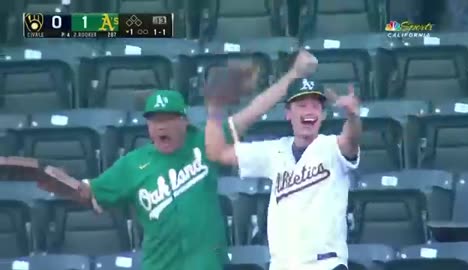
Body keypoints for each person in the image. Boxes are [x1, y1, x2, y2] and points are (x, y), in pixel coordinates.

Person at [73, 50, 316, 270]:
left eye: (168, 119)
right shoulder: (133, 164)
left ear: (184, 121)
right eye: (155, 120)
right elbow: (88, 193)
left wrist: (294, 74)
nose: (160, 126)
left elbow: (253, 111)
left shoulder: (204, 143)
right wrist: (52, 179)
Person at [205, 54, 362, 269]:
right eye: (302, 105)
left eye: (315, 106)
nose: (309, 111)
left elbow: (351, 140)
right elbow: (218, 153)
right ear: (288, 113)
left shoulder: (332, 147)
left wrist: (353, 116)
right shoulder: (274, 151)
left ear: (323, 115)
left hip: (327, 264)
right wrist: (214, 111)